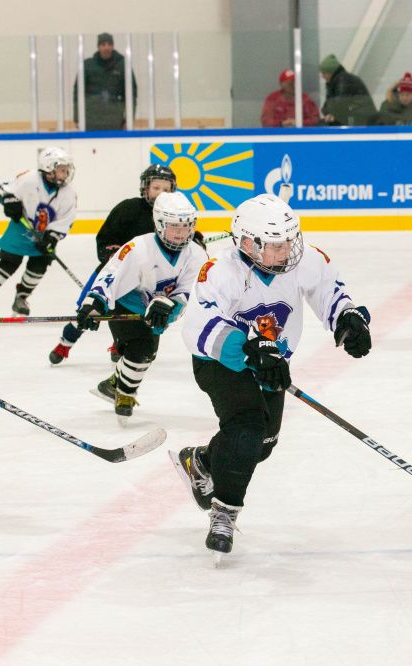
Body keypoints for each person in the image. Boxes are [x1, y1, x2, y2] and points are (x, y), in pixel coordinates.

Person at [174, 193, 373, 560]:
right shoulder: (220, 270)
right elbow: (198, 325)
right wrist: (248, 348)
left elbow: (328, 289)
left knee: (262, 443)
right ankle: (224, 512)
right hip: (221, 361)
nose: (289, 251)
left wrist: (347, 317)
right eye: (279, 245)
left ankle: (202, 462)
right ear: (249, 244)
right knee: (247, 426)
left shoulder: (303, 259)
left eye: (290, 240)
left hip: (271, 363)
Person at [76, 191, 207, 423]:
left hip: (160, 309)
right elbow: (111, 275)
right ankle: (125, 394)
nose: (180, 233)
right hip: (126, 303)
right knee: (142, 349)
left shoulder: (196, 254)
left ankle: (113, 384)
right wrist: (94, 303)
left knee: (147, 353)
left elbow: (192, 291)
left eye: (186, 226)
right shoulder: (138, 247)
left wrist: (168, 305)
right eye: (174, 226)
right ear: (159, 224)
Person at [48, 164, 178, 365]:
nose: (161, 193)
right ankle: (65, 342)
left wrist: (193, 241)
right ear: (145, 188)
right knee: (87, 310)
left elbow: (182, 239)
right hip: (113, 272)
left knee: (133, 316)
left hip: (148, 280)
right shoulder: (128, 208)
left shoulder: (173, 216)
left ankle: (119, 342)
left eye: (166, 189)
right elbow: (106, 236)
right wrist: (110, 252)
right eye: (156, 188)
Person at [0, 146, 78, 316]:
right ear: (49, 168)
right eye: (62, 170)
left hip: (44, 234)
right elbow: (8, 190)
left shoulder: (69, 193)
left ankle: (21, 297)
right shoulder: (29, 179)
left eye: (67, 170)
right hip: (21, 229)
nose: (66, 173)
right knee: (8, 263)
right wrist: (10, 202)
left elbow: (66, 220)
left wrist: (52, 237)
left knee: (39, 265)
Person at [73, 32, 138, 130]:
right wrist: (77, 117)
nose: (106, 47)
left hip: (115, 120)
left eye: (109, 44)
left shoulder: (123, 66)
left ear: (113, 46)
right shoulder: (87, 66)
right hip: (91, 120)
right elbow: (78, 93)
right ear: (98, 47)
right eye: (103, 44)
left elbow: (131, 94)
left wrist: (129, 119)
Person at [318, 54, 376, 126]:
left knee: (322, 125)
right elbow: (330, 106)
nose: (322, 76)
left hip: (359, 121)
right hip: (356, 119)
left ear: (331, 72)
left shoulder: (344, 81)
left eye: (324, 73)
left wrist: (330, 113)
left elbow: (339, 104)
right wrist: (328, 112)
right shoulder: (336, 82)